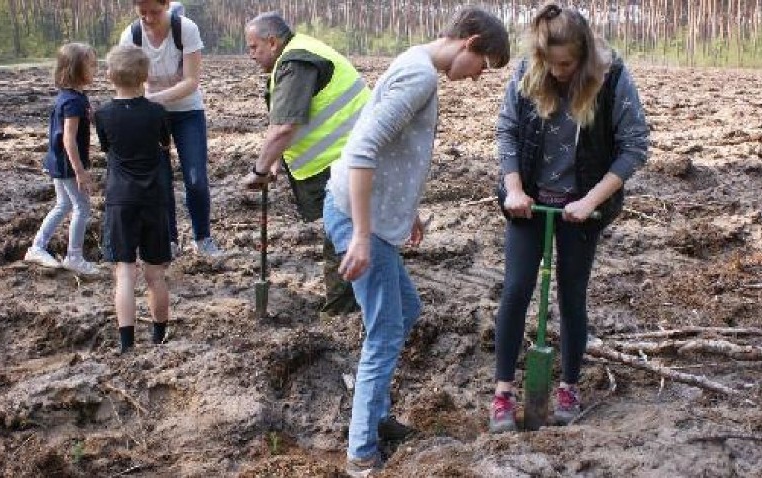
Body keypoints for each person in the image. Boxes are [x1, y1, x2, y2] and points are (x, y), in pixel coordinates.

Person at [322, 7, 510, 475]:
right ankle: (361, 453)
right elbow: (363, 151)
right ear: (470, 43)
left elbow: (388, 150)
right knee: (385, 332)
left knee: (405, 310)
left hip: (371, 214)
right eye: (483, 67)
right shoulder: (420, 78)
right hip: (357, 218)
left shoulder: (415, 61)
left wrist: (409, 211)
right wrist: (363, 237)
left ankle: (378, 418)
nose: (477, 79)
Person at [489, 3, 650, 433]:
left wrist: (590, 201)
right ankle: (503, 392)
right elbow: (506, 129)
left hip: (583, 206)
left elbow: (634, 146)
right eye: (550, 63)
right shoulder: (528, 71)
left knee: (571, 293)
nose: (558, 72)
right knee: (517, 289)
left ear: (584, 54)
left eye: (567, 63)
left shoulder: (611, 76)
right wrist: (515, 189)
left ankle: (569, 386)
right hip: (529, 202)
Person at [242, 12, 370, 317]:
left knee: (340, 234)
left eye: (253, 47)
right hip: (350, 156)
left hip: (348, 159)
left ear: (272, 42)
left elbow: (285, 126)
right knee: (344, 232)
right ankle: (350, 305)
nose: (251, 55)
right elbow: (290, 119)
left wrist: (259, 170)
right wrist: (274, 160)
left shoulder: (295, 62)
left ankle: (344, 312)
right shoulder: (298, 53)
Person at [119, 0, 222, 257]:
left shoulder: (185, 29)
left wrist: (150, 99)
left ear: (166, 4)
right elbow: (126, 81)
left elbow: (191, 81)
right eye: (142, 13)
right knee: (161, 181)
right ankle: (169, 240)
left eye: (155, 11)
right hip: (153, 118)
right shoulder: (131, 36)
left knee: (196, 180)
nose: (149, 19)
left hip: (188, 112)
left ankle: (203, 239)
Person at [95, 45, 172, 353]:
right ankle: (159, 337)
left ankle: (127, 344)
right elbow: (165, 145)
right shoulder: (157, 112)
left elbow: (106, 148)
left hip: (120, 198)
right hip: (153, 197)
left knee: (124, 272)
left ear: (110, 75)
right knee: (156, 273)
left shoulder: (102, 114)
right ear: (145, 77)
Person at [25, 42, 98, 276]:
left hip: (58, 161)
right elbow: (69, 139)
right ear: (76, 69)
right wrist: (80, 171)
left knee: (64, 204)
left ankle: (37, 247)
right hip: (68, 164)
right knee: (82, 206)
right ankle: (74, 256)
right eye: (91, 65)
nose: (95, 69)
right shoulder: (73, 101)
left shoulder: (73, 96)